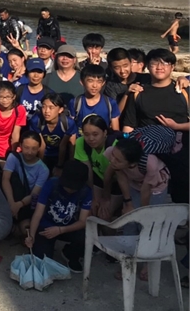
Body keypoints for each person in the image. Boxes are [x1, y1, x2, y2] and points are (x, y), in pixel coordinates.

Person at [120, 48, 189, 204]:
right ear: (147, 67)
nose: (160, 66)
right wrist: (125, 145)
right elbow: (129, 125)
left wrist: (177, 126)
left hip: (180, 146)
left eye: (165, 63)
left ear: (172, 67)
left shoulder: (184, 91)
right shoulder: (138, 92)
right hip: (147, 146)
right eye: (155, 63)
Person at [25, 160, 91, 273]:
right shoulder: (51, 184)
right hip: (46, 226)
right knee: (41, 263)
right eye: (68, 186)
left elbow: (83, 221)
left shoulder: (86, 192)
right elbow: (38, 213)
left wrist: (61, 230)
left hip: (69, 227)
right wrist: (31, 235)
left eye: (73, 188)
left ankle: (71, 254)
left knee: (86, 235)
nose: (70, 190)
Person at [1, 131, 49, 236]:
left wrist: (18, 205)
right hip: (11, 197)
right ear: (21, 146)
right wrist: (11, 203)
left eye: (34, 149)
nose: (29, 152)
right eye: (26, 147)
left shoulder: (43, 170)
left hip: (26, 203)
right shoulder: (13, 157)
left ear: (39, 148)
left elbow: (34, 194)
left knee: (25, 229)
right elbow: (5, 179)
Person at [29, 93, 78, 174]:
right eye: (44, 106)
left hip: (60, 155)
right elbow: (42, 145)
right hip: (44, 154)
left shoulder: (68, 123)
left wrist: (60, 166)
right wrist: (41, 165)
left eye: (51, 107)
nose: (46, 111)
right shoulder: (36, 121)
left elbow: (63, 145)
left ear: (60, 110)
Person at [71, 64, 120, 132]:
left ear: (103, 83)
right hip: (81, 141)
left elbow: (115, 131)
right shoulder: (75, 103)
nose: (94, 85)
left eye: (99, 81)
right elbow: (70, 129)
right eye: (90, 81)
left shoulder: (110, 103)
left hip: (103, 141)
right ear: (82, 82)